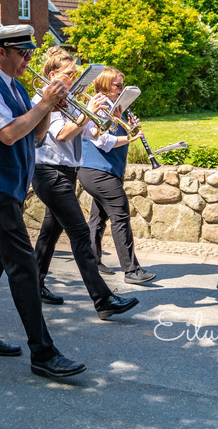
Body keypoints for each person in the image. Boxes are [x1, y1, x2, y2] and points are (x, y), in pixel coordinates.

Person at [0, 24, 86, 380]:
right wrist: (45, 102)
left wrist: (48, 109)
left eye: (30, 53)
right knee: (23, 265)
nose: (28, 59)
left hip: (9, 186)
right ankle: (42, 352)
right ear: (1, 51)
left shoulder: (14, 86)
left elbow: (36, 134)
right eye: (23, 53)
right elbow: (8, 133)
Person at [31, 47, 140, 320]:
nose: (74, 79)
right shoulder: (44, 98)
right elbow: (64, 135)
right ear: (53, 74)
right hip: (50, 172)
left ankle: (33, 285)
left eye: (75, 74)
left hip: (66, 172)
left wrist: (101, 117)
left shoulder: (68, 100)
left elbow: (91, 133)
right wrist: (87, 114)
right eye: (69, 75)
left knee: (50, 233)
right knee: (80, 236)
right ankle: (103, 300)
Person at [78, 67, 154, 284]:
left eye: (122, 85)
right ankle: (131, 270)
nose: (121, 89)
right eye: (117, 85)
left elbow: (112, 134)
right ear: (104, 85)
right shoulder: (100, 107)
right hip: (98, 172)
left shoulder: (113, 108)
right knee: (120, 216)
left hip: (105, 170)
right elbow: (103, 142)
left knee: (98, 217)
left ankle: (92, 260)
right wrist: (131, 137)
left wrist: (128, 127)